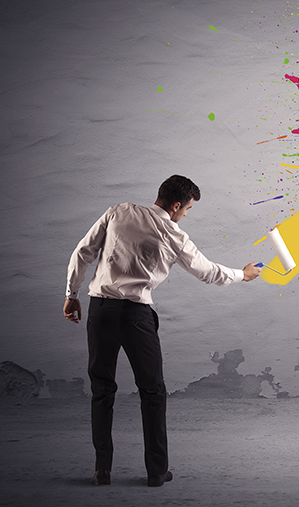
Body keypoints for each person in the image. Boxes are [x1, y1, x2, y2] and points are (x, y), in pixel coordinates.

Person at [63, 175, 261, 487]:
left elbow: (82, 252)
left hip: (99, 310)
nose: (186, 215)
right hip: (136, 316)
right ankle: (156, 472)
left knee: (102, 390)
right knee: (152, 392)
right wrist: (243, 274)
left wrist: (72, 295)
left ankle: (102, 470)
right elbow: (208, 272)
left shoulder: (117, 211)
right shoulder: (173, 234)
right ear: (177, 205)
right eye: (188, 209)